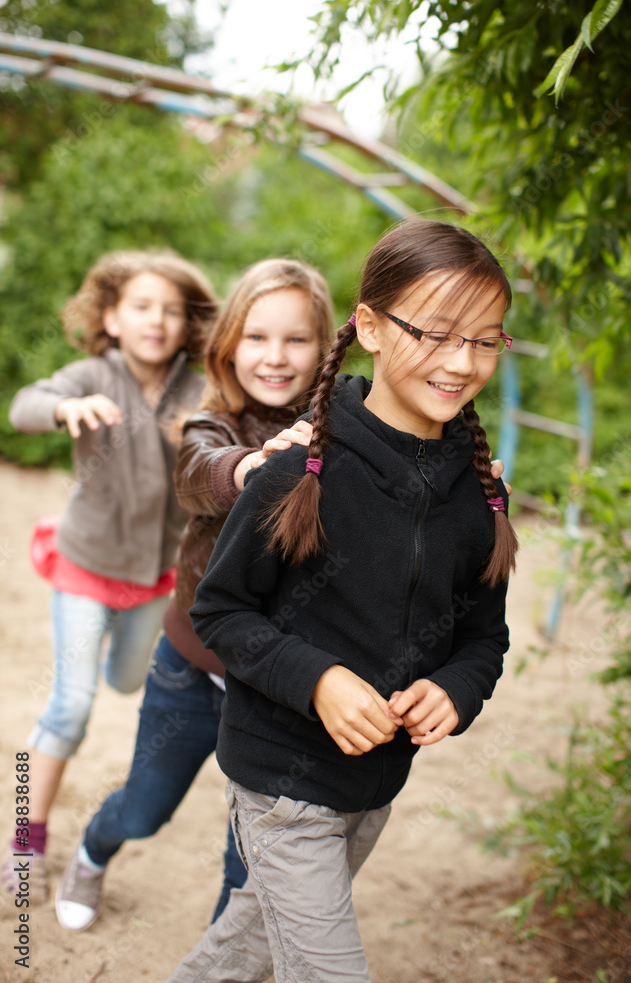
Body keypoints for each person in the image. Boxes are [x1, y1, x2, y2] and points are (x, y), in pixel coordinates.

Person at [166, 219, 520, 983]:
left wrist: (455, 689)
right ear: (370, 327)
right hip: (280, 783)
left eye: (485, 340)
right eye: (435, 333)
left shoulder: (478, 492)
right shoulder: (301, 467)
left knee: (245, 948)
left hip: (375, 783)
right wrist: (318, 679)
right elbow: (220, 612)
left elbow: (483, 638)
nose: (461, 361)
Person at [53, 258, 337, 932]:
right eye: (257, 337)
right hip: (191, 671)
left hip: (280, 689)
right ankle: (92, 851)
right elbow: (199, 475)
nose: (275, 356)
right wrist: (253, 467)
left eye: (296, 339)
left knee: (251, 854)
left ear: (324, 348)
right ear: (229, 344)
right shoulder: (211, 425)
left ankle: (221, 964)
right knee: (144, 808)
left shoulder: (342, 429)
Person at [2, 249, 217, 906]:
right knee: (70, 707)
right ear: (113, 318)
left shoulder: (197, 391)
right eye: (142, 307)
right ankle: (24, 842)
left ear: (187, 326)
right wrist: (66, 408)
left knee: (125, 679)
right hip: (86, 567)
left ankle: (98, 658)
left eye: (171, 311)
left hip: (155, 577)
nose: (157, 320)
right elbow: (25, 405)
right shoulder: (92, 373)